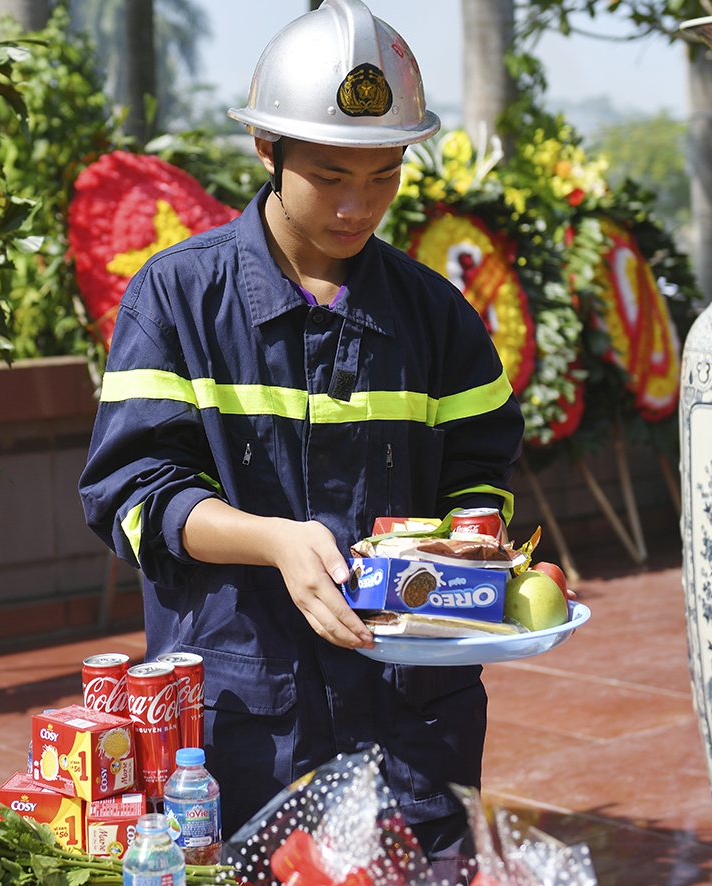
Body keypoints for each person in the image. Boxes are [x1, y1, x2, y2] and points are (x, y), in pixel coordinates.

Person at [79, 0, 524, 873]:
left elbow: (481, 474)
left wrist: (472, 551)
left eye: (383, 176)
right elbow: (130, 496)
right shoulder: (175, 301)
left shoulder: (437, 318)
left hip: (412, 727)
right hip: (242, 729)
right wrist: (273, 541)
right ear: (265, 149)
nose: (358, 207)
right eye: (329, 176)